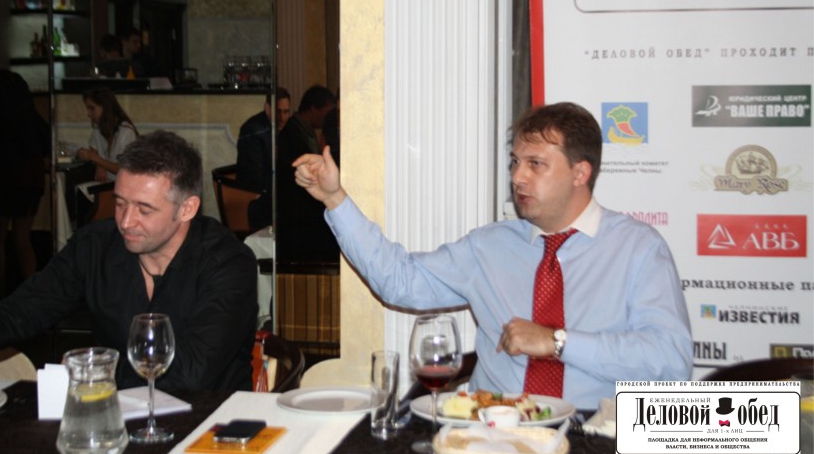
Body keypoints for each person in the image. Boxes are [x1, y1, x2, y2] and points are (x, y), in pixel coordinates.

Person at [293, 102, 692, 409]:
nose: (518, 177)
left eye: (536, 164)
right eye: (516, 162)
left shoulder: (638, 249)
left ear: (580, 173)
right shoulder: (488, 247)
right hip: (493, 432)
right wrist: (334, 199)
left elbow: (671, 361)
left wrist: (558, 342)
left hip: (592, 433)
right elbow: (399, 281)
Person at [0, 131, 258, 393]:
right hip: (121, 422)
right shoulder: (96, 247)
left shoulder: (228, 264)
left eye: (144, 209)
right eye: (120, 203)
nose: (125, 221)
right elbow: (18, 314)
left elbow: (192, 375)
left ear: (187, 208)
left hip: (213, 429)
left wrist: (90, 372)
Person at [0, 70, 51, 283]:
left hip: (7, 179)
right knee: (22, 239)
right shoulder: (31, 118)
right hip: (30, 180)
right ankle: (30, 288)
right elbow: (45, 146)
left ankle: (0, 285)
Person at [276, 85, 339, 262]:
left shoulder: (304, 131)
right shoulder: (293, 133)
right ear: (314, 108)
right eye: (327, 111)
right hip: (298, 217)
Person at [236, 87, 290, 231]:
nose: (283, 118)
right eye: (278, 111)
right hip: (254, 197)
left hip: (270, 192)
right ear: (267, 108)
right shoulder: (253, 130)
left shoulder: (282, 128)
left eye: (286, 112)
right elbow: (253, 176)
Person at [76, 87, 138, 182]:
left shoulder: (126, 132)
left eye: (92, 108)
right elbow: (93, 148)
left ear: (105, 108)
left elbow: (123, 169)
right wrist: (100, 166)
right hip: (106, 182)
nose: (88, 114)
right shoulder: (98, 129)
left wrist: (95, 159)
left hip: (122, 183)